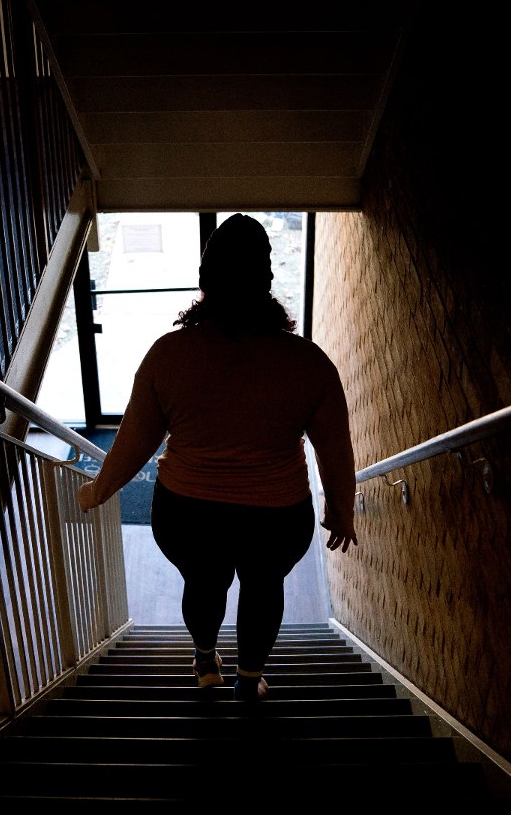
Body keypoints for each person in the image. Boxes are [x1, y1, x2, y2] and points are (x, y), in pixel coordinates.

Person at [75, 213, 357, 701]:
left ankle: (206, 661)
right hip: (276, 516)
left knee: (204, 585)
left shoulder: (168, 355)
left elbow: (135, 441)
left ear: (205, 279)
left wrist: (98, 490)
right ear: (267, 280)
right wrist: (340, 509)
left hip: (188, 514)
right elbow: (336, 450)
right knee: (264, 588)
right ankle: (249, 681)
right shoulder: (309, 363)